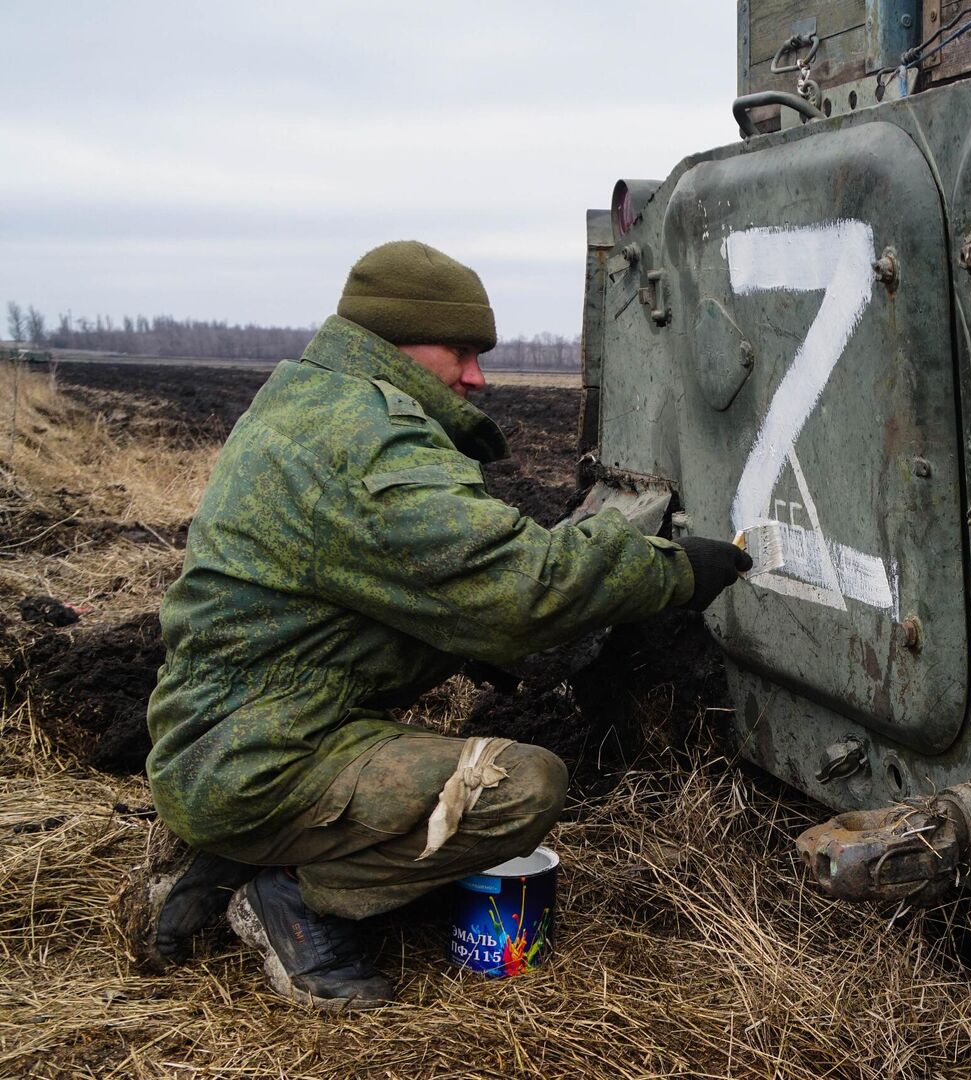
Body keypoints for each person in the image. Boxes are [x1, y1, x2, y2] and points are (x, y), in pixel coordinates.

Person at [112, 240, 750, 1009]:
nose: (477, 376)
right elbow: (520, 587)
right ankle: (293, 899)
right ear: (394, 339)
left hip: (221, 737)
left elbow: (388, 582)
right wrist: (677, 571)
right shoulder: (368, 438)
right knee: (518, 787)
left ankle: (230, 856)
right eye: (461, 350)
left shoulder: (308, 399)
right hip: (261, 758)